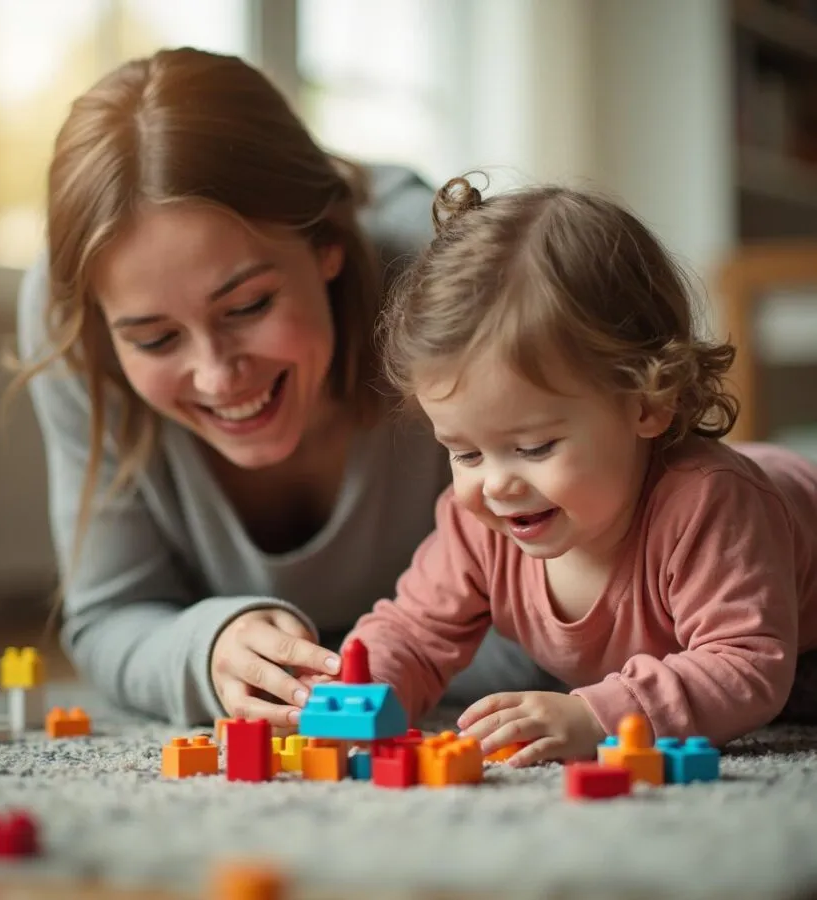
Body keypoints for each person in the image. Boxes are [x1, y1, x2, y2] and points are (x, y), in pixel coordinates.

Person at [11, 48, 563, 729]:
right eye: (154, 340)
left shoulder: (452, 286)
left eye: (246, 307)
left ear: (328, 243)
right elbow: (108, 616)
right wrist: (209, 647)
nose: (216, 376)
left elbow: (571, 609)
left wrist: (364, 669)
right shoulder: (66, 316)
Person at [346, 174, 817, 766]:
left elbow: (745, 664)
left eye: (536, 447)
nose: (495, 485)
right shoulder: (480, 524)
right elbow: (412, 634)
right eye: (465, 453)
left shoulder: (708, 505)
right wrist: (358, 693)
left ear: (647, 403)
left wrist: (600, 715)